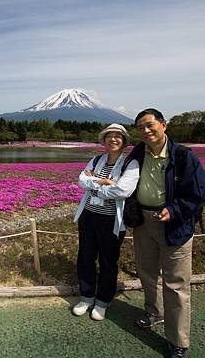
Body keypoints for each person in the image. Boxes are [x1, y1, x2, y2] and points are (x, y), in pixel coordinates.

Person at [129, 108, 205, 358]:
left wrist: (173, 211)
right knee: (147, 272)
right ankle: (155, 312)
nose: (145, 131)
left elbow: (198, 193)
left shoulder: (184, 156)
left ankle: (178, 341)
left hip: (175, 224)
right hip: (143, 221)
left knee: (176, 284)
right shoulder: (137, 153)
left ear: (164, 125)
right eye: (140, 127)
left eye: (150, 125)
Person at [72, 123, 140, 320]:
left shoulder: (131, 164)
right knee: (85, 257)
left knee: (108, 260)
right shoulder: (96, 159)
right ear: (103, 140)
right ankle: (86, 296)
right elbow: (81, 181)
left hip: (111, 220)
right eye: (109, 136)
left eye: (118, 136)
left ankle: (102, 301)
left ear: (125, 141)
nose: (113, 139)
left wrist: (95, 184)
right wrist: (106, 183)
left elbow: (123, 191)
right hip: (89, 216)